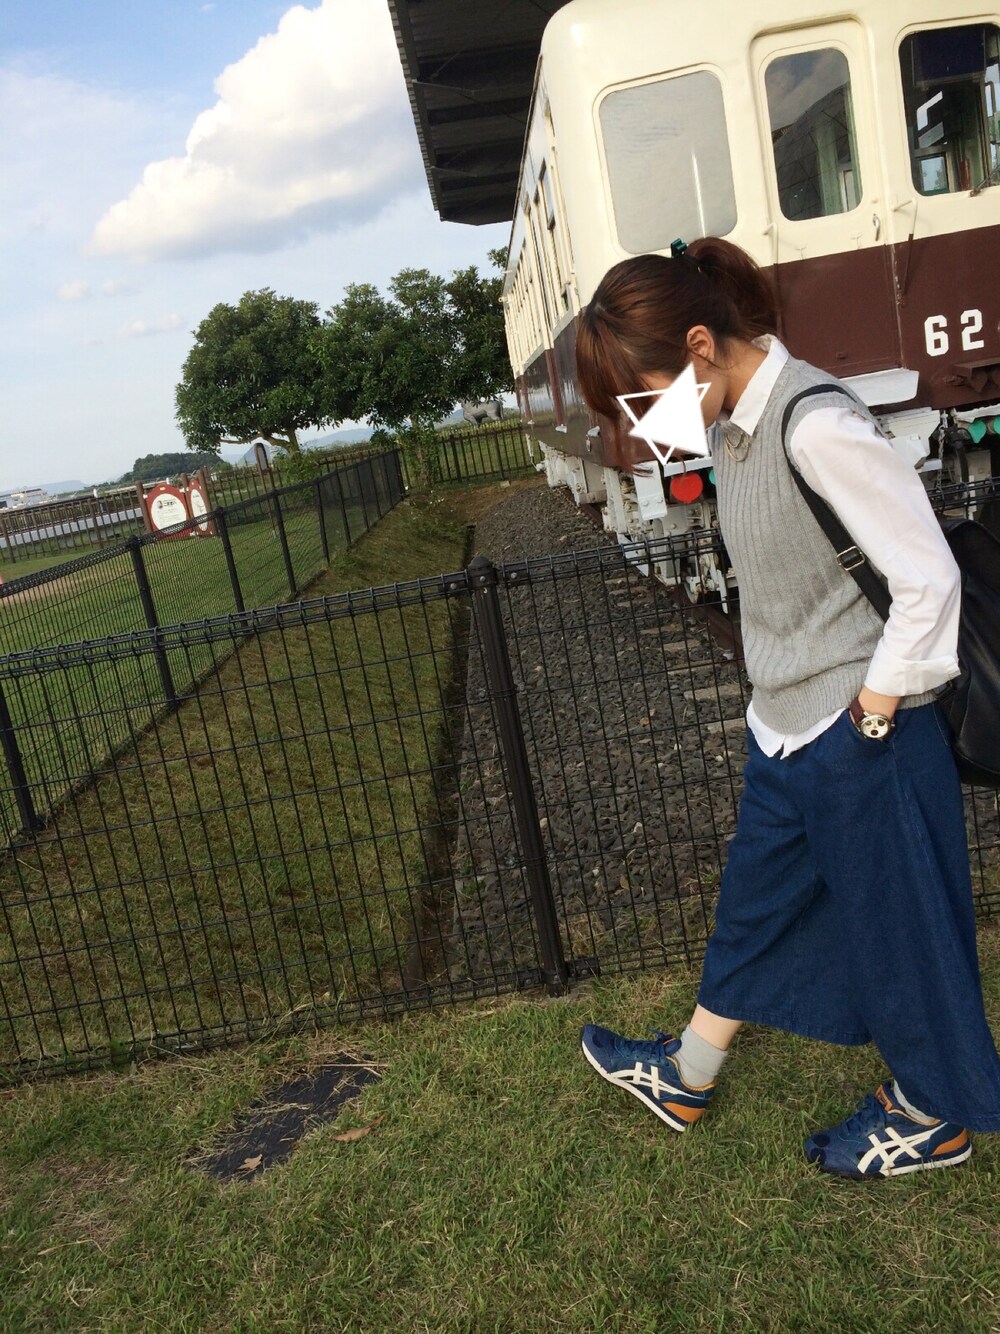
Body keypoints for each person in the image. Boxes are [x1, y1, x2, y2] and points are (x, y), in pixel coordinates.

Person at [575, 237, 1000, 1179]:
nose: (642, 427)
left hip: (860, 735)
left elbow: (928, 577)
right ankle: (686, 1075)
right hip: (785, 729)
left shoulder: (815, 424)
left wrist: (873, 717)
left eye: (643, 400)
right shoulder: (733, 424)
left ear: (699, 347)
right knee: (755, 906)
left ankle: (936, 1116)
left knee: (905, 934)